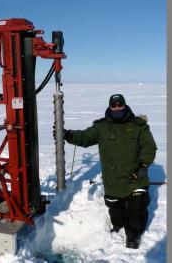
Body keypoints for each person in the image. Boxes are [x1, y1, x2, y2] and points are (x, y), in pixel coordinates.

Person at [63, 94, 157, 249]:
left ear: (125, 106)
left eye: (120, 105)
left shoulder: (139, 126)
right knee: (117, 215)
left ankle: (134, 235)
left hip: (135, 177)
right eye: (114, 106)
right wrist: (68, 135)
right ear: (110, 107)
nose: (117, 108)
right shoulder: (101, 127)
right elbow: (85, 137)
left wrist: (144, 166)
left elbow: (149, 147)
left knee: (137, 207)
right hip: (113, 180)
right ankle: (118, 225)